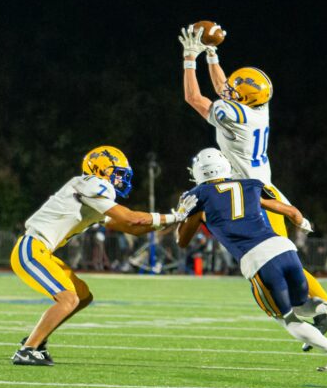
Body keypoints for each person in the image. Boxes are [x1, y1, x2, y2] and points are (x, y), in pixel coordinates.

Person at [178, 25, 327, 348]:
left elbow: (194, 98)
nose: (230, 90)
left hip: (252, 192)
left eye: (237, 90)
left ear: (244, 98)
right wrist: (213, 54)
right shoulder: (257, 107)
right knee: (285, 257)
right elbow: (226, 90)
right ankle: (325, 311)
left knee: (274, 256)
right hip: (260, 187)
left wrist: (189, 58)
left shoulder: (235, 114)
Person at [177, 149, 327, 372]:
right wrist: (303, 224)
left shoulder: (198, 196)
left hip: (257, 258)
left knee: (287, 318)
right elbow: (291, 211)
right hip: (284, 248)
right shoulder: (249, 185)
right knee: (303, 305)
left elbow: (182, 241)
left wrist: (182, 215)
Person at [10, 145, 196, 366]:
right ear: (100, 169)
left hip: (43, 251)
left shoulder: (92, 195)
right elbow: (132, 219)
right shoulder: (90, 183)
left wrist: (174, 220)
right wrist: (175, 216)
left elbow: (133, 228)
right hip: (31, 248)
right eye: (117, 173)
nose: (121, 180)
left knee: (82, 296)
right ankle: (28, 349)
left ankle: (36, 339)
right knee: (68, 299)